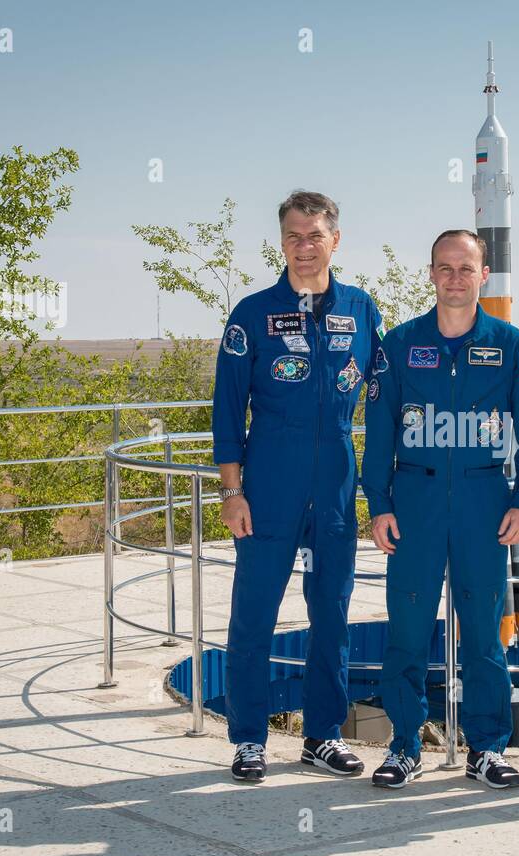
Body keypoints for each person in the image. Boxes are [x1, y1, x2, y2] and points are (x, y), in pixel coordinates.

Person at [361, 230, 519, 789]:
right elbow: (377, 434)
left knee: (484, 636)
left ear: (482, 275)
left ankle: (487, 748)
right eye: (444, 268)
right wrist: (380, 505)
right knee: (408, 631)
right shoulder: (397, 345)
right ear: (430, 274)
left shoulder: (511, 344)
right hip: (414, 504)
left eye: (465, 268)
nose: (455, 278)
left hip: (484, 504)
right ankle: (403, 745)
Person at [212, 190, 383, 783]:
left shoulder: (362, 310)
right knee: (254, 612)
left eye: (315, 236)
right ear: (280, 242)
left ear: (336, 240)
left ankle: (323, 735)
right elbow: (228, 411)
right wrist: (233, 491)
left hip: (335, 472)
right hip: (269, 475)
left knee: (332, 612)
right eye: (293, 236)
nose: (304, 247)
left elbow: (387, 398)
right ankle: (249, 739)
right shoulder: (252, 314)